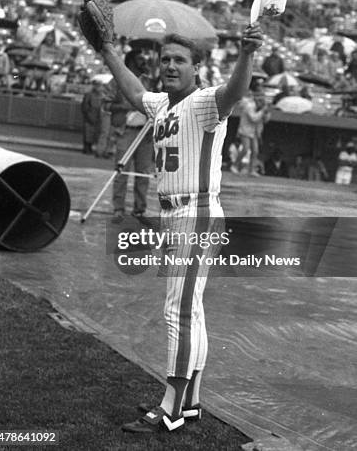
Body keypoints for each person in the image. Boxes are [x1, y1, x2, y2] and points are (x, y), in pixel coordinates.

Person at [93, 21, 263, 434]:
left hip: (196, 213)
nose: (169, 65)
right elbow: (135, 92)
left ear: (196, 69)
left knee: (178, 311)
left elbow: (234, 92)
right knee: (192, 311)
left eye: (180, 60)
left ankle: (170, 408)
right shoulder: (162, 105)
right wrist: (108, 50)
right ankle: (191, 403)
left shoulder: (204, 102)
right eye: (165, 59)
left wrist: (245, 54)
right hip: (176, 215)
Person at [109, 47, 155, 222]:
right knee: (121, 172)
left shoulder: (151, 83)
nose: (144, 62)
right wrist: (127, 106)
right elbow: (106, 105)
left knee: (143, 173)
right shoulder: (116, 83)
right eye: (140, 59)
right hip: (126, 131)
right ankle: (118, 209)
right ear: (130, 62)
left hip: (146, 133)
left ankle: (139, 210)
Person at [232, 89, 270, 177]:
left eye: (262, 99)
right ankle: (235, 166)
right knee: (245, 149)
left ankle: (252, 170)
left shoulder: (261, 107)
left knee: (255, 151)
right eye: (260, 99)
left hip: (255, 132)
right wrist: (262, 112)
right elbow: (254, 118)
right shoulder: (249, 105)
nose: (261, 101)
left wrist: (266, 113)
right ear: (255, 98)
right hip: (245, 130)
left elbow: (265, 120)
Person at [81, 80, 104, 154]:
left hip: (97, 117)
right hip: (89, 116)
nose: (99, 88)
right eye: (98, 86)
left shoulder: (101, 96)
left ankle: (90, 147)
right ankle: (86, 148)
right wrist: (87, 115)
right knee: (87, 133)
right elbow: (85, 106)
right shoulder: (89, 94)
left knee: (94, 133)